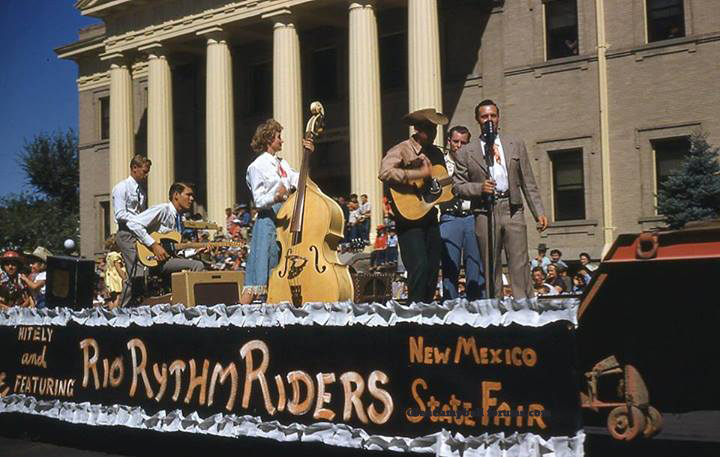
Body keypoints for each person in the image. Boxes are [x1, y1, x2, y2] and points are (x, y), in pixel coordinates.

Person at [452, 99, 548, 299]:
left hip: (512, 208)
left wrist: (538, 212)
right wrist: (479, 188)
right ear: (477, 120)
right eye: (484, 116)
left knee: (519, 261)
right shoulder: (466, 152)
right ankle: (495, 308)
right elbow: (457, 186)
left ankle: (524, 306)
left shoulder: (515, 144)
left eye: (492, 116)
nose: (489, 120)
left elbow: (527, 180)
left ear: (498, 117)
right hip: (485, 212)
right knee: (491, 263)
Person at [241, 119, 315, 304]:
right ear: (268, 139)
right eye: (278, 137)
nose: (282, 141)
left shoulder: (282, 163)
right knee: (262, 269)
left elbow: (299, 180)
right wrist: (275, 196)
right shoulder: (257, 166)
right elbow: (258, 200)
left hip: (286, 218)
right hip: (269, 220)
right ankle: (240, 315)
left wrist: (308, 155)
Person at [379, 108, 448, 303]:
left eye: (434, 129)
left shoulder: (436, 152)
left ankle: (426, 308)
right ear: (417, 129)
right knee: (419, 266)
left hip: (429, 215)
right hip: (408, 219)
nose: (433, 133)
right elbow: (385, 172)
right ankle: (415, 313)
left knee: (433, 267)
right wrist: (417, 175)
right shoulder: (402, 149)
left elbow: (441, 184)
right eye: (428, 129)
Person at [126, 182, 205, 290]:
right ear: (176, 195)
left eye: (192, 196)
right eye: (188, 195)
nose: (191, 199)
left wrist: (195, 251)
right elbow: (133, 224)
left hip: (169, 259)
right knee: (198, 265)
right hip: (154, 260)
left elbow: (175, 248)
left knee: (200, 264)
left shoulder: (181, 220)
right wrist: (154, 245)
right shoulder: (163, 210)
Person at [438, 125, 484, 301]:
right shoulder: (440, 164)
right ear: (448, 141)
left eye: (463, 143)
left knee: (474, 264)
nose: (459, 146)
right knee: (450, 266)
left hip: (472, 216)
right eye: (455, 141)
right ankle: (449, 305)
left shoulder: (474, 161)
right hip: (449, 216)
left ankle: (476, 305)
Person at [111, 154, 152, 306]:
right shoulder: (122, 188)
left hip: (139, 233)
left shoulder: (141, 190)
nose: (146, 175)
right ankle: (122, 308)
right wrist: (140, 221)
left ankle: (136, 304)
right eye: (144, 171)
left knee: (145, 270)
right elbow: (120, 214)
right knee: (136, 271)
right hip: (126, 233)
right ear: (134, 168)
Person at [104, 235, 127, 308]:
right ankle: (116, 311)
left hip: (110, 277)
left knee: (112, 297)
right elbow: (118, 268)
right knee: (118, 296)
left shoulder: (109, 255)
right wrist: (124, 277)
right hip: (116, 278)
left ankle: (111, 312)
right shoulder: (115, 255)